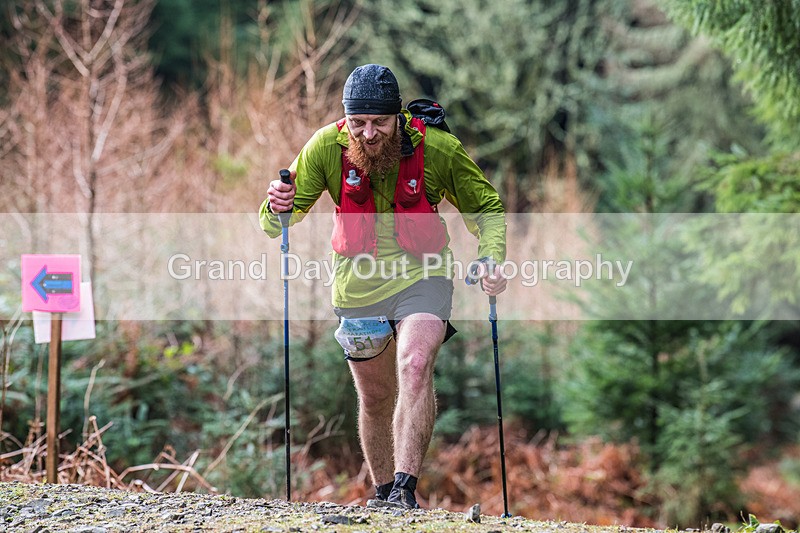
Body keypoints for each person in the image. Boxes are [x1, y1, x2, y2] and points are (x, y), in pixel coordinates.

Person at [260, 64, 507, 509]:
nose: (368, 134)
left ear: (397, 117)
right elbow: (276, 217)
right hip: (358, 286)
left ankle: (405, 491)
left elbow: (486, 206)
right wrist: (275, 203)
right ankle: (382, 496)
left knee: (414, 364)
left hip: (423, 275)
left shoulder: (438, 148)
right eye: (358, 123)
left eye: (379, 123)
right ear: (346, 118)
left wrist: (491, 257)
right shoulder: (325, 146)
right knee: (374, 396)